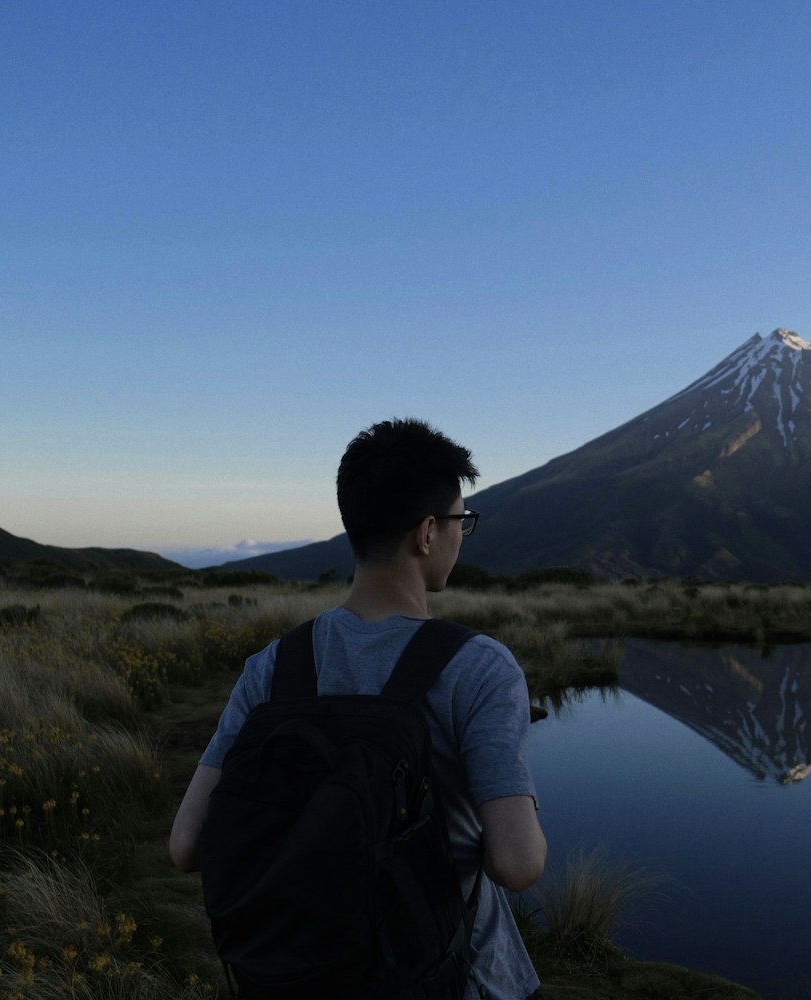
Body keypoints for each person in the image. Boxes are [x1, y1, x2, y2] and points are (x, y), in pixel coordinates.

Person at [170, 418, 546, 1000]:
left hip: (297, 976)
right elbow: (519, 864)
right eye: (460, 522)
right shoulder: (480, 667)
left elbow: (185, 846)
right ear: (427, 533)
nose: (460, 536)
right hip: (449, 979)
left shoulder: (273, 666)